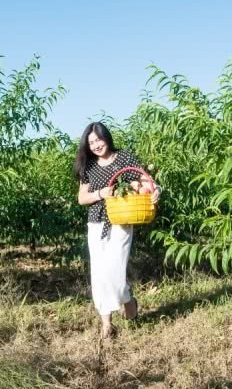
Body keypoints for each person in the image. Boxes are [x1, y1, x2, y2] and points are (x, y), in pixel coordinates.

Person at [74, 122, 161, 338]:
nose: (95, 145)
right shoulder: (89, 165)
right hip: (96, 222)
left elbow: (145, 181)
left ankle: (128, 300)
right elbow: (82, 198)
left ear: (107, 138)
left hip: (121, 221)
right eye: (91, 142)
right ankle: (106, 324)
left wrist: (155, 190)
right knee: (100, 274)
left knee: (115, 271)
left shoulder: (124, 158)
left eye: (98, 140)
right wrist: (100, 194)